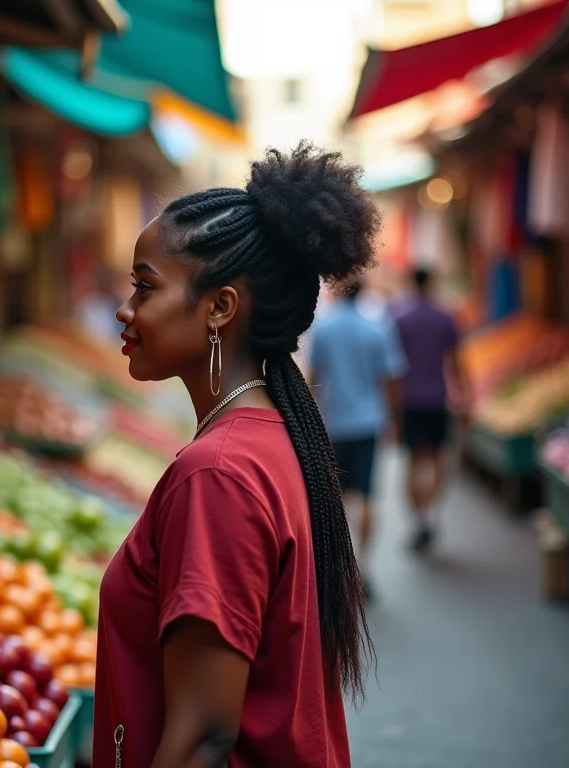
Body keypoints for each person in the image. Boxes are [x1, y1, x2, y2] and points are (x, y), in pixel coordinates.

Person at [94, 142, 380, 768]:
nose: (125, 310)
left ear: (221, 307)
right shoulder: (268, 439)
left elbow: (203, 738)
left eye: (145, 288)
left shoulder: (217, 474)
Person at [309, 281, 406, 592]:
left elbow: (314, 378)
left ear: (339, 291)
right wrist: (393, 420)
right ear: (364, 292)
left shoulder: (324, 328)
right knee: (365, 494)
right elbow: (389, 379)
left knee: (334, 498)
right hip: (367, 423)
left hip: (333, 423)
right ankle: (362, 566)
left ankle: (340, 566)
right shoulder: (377, 328)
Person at [393, 267, 469, 553]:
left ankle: (418, 519)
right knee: (438, 459)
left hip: (408, 399)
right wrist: (465, 396)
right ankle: (429, 514)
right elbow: (456, 361)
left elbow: (390, 367)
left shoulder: (398, 318)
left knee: (413, 460)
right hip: (437, 398)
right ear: (432, 283)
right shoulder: (445, 317)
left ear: (411, 282)